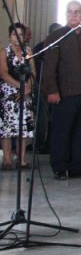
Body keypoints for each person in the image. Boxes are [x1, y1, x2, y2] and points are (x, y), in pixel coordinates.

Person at [40, 0, 81, 180]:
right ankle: (60, 167)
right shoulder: (57, 36)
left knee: (80, 132)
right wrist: (51, 90)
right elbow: (49, 67)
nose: (73, 15)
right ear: (65, 14)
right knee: (62, 132)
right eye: (70, 12)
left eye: (77, 12)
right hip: (63, 94)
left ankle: (75, 167)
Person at [1, 23, 33, 170]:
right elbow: (3, 73)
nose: (17, 38)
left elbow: (33, 72)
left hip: (25, 93)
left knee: (23, 127)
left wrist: (28, 87)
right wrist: (19, 86)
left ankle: (22, 159)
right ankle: (7, 159)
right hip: (9, 94)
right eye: (14, 34)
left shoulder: (28, 51)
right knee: (7, 128)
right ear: (9, 36)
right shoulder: (4, 52)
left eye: (20, 35)